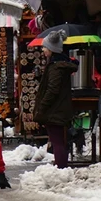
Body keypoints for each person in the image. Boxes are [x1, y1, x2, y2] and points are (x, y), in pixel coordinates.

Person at [34, 29, 77, 169]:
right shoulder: (61, 65)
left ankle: (61, 169)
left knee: (57, 141)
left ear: (52, 49)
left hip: (54, 109)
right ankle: (61, 166)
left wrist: (43, 106)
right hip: (59, 107)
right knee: (58, 140)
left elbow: (53, 89)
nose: (43, 50)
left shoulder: (55, 67)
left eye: (45, 47)